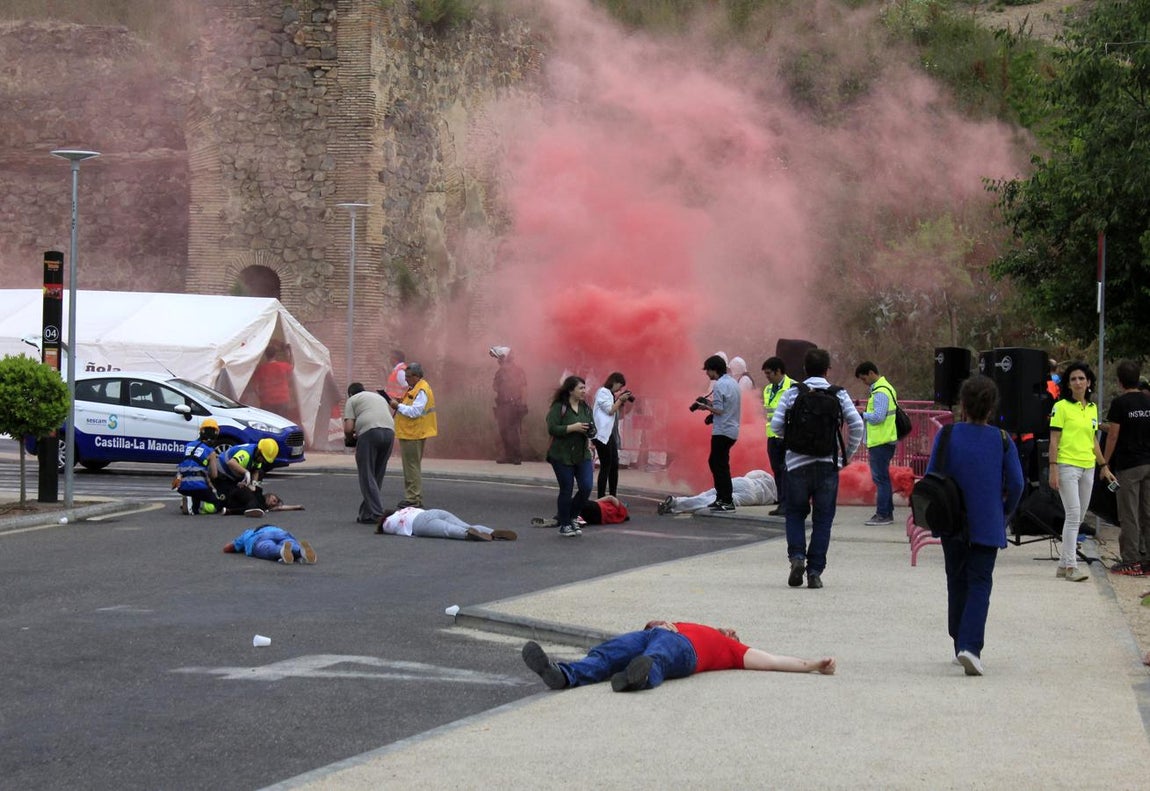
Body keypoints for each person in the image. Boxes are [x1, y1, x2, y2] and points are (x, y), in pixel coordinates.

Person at [925, 375, 1025, 676]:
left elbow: (931, 475)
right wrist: (1004, 513)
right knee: (980, 582)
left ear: (963, 404)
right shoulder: (1003, 440)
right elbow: (1018, 484)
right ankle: (971, 646)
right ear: (992, 407)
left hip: (951, 520)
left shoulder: (947, 435)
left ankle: (958, 642)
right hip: (987, 521)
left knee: (955, 580)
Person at [771, 347, 864, 589]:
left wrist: (792, 442)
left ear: (804, 369)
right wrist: (846, 455)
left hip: (796, 465)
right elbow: (857, 425)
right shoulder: (838, 394)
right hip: (827, 465)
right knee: (823, 519)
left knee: (794, 513)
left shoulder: (793, 393)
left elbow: (777, 425)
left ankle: (797, 558)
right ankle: (814, 572)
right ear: (827, 369)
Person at [521, 621, 835, 692]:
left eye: (736, 632)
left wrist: (813, 665)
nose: (733, 631)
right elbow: (652, 628)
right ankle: (564, 675)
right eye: (731, 630)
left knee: (659, 656)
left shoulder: (733, 650)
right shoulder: (695, 622)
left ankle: (638, 677)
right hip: (656, 633)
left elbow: (774, 662)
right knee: (607, 653)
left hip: (685, 651)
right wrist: (658, 622)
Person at [1048, 361, 1110, 582]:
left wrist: (1104, 466)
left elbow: (1093, 439)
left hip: (1088, 467)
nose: (1078, 382)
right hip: (1066, 466)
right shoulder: (1061, 407)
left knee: (1078, 516)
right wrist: (1053, 469)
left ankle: (1064, 565)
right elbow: (1054, 441)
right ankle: (1072, 566)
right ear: (1068, 384)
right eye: (1073, 379)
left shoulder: (1092, 409)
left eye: (1081, 378)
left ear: (1089, 382)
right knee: (1073, 515)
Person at [1104, 361, 1150, 575]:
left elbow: (1113, 434)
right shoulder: (1147, 401)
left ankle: (1131, 560)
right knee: (1147, 512)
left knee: (1129, 514)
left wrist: (1104, 462)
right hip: (1148, 462)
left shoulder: (1120, 404)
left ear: (1120, 382)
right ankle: (1147, 558)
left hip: (1129, 466)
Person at [381, 361, 437, 508]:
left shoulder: (421, 390)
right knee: (411, 466)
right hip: (411, 433)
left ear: (417, 376)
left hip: (414, 433)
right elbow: (412, 406)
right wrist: (402, 401)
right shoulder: (416, 388)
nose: (405, 379)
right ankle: (413, 497)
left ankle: (413, 498)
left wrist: (397, 405)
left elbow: (415, 412)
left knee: (411, 467)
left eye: (408, 376)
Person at [546, 375, 595, 537]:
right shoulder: (559, 407)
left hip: (582, 455)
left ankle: (572, 516)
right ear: (570, 390)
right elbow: (552, 428)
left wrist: (590, 430)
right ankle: (565, 524)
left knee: (586, 487)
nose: (584, 391)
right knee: (566, 489)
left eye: (584, 388)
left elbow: (592, 426)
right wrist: (572, 427)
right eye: (580, 388)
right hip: (561, 455)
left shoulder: (585, 408)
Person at [343, 381, 396, 525]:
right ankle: (367, 513)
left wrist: (350, 439)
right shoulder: (377, 397)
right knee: (377, 474)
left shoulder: (352, 400)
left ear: (350, 394)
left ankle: (378, 514)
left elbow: (348, 429)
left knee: (367, 475)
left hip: (369, 433)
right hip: (390, 433)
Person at [854, 360, 898, 526]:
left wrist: (862, 414)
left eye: (864, 378)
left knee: (881, 479)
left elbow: (878, 417)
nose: (864, 382)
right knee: (883, 478)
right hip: (885, 440)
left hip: (881, 441)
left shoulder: (880, 392)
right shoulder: (886, 387)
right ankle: (887, 512)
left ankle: (883, 514)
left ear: (871, 373)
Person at [695, 354, 741, 512]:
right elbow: (726, 406)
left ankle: (726, 499)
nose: (707, 374)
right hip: (732, 429)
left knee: (717, 464)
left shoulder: (719, 385)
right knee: (719, 463)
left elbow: (720, 410)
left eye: (707, 370)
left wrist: (706, 407)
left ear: (714, 370)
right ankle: (722, 498)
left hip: (722, 431)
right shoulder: (733, 383)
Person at [657, 469, 776, 515]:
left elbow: (752, 474)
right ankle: (676, 506)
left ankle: (676, 502)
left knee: (709, 494)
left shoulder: (766, 477)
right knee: (712, 500)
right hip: (751, 496)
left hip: (743, 482)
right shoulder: (777, 494)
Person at [762, 357, 795, 517]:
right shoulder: (768, 389)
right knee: (777, 470)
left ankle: (788, 503)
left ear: (778, 371)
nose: (767, 377)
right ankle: (782, 501)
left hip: (787, 437)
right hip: (772, 436)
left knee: (786, 470)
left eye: (769, 373)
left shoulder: (793, 387)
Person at [213, 438, 279, 516]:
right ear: (259, 452)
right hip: (221, 474)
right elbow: (231, 463)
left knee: (260, 474)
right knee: (226, 499)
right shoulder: (246, 454)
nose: (263, 461)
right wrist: (246, 472)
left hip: (232, 475)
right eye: (263, 459)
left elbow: (256, 470)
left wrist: (254, 484)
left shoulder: (256, 456)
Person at [593, 372, 632, 499]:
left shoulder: (609, 394)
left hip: (610, 435)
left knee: (614, 465)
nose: (620, 389)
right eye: (620, 386)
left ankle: (613, 496)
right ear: (614, 382)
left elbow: (616, 414)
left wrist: (620, 401)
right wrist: (620, 399)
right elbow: (610, 410)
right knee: (606, 465)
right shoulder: (603, 392)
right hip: (602, 435)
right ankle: (601, 497)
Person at [376, 506, 517, 541]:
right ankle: (491, 531)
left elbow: (387, 528)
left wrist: (381, 526)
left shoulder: (388, 521)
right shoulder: (405, 510)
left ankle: (467, 535)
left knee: (448, 530)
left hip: (419, 523)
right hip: (432, 512)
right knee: (465, 524)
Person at [174, 418, 223, 515]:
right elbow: (214, 475)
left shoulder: (188, 445)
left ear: (201, 432)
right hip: (199, 486)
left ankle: (190, 502)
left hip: (182, 486)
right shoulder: (210, 451)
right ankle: (199, 507)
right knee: (218, 505)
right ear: (216, 434)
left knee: (196, 497)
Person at [491, 346, 528, 465]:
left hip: (514, 404)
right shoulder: (500, 372)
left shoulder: (518, 371)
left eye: (500, 359)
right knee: (503, 430)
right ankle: (506, 455)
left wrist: (523, 404)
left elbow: (523, 388)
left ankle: (516, 456)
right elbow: (495, 387)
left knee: (513, 431)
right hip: (502, 405)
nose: (499, 362)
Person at [222, 524, 316, 564]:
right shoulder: (275, 528)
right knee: (289, 543)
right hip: (281, 533)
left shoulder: (249, 532)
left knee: (267, 547)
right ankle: (300, 551)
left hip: (259, 538)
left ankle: (280, 551)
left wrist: (240, 547)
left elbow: (228, 548)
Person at [250, 344, 296, 421]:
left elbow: (255, 386)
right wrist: (290, 352)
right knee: (282, 423)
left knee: (269, 423)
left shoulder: (261, 369)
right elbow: (292, 365)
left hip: (267, 401)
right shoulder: (283, 366)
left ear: (265, 355)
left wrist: (260, 397)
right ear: (275, 354)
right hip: (282, 399)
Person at [532, 495, 630, 527]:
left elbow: (611, 497)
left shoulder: (621, 508)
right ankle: (576, 520)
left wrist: (593, 501)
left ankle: (557, 519)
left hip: (598, 508)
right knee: (575, 512)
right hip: (598, 519)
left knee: (572, 502)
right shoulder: (620, 516)